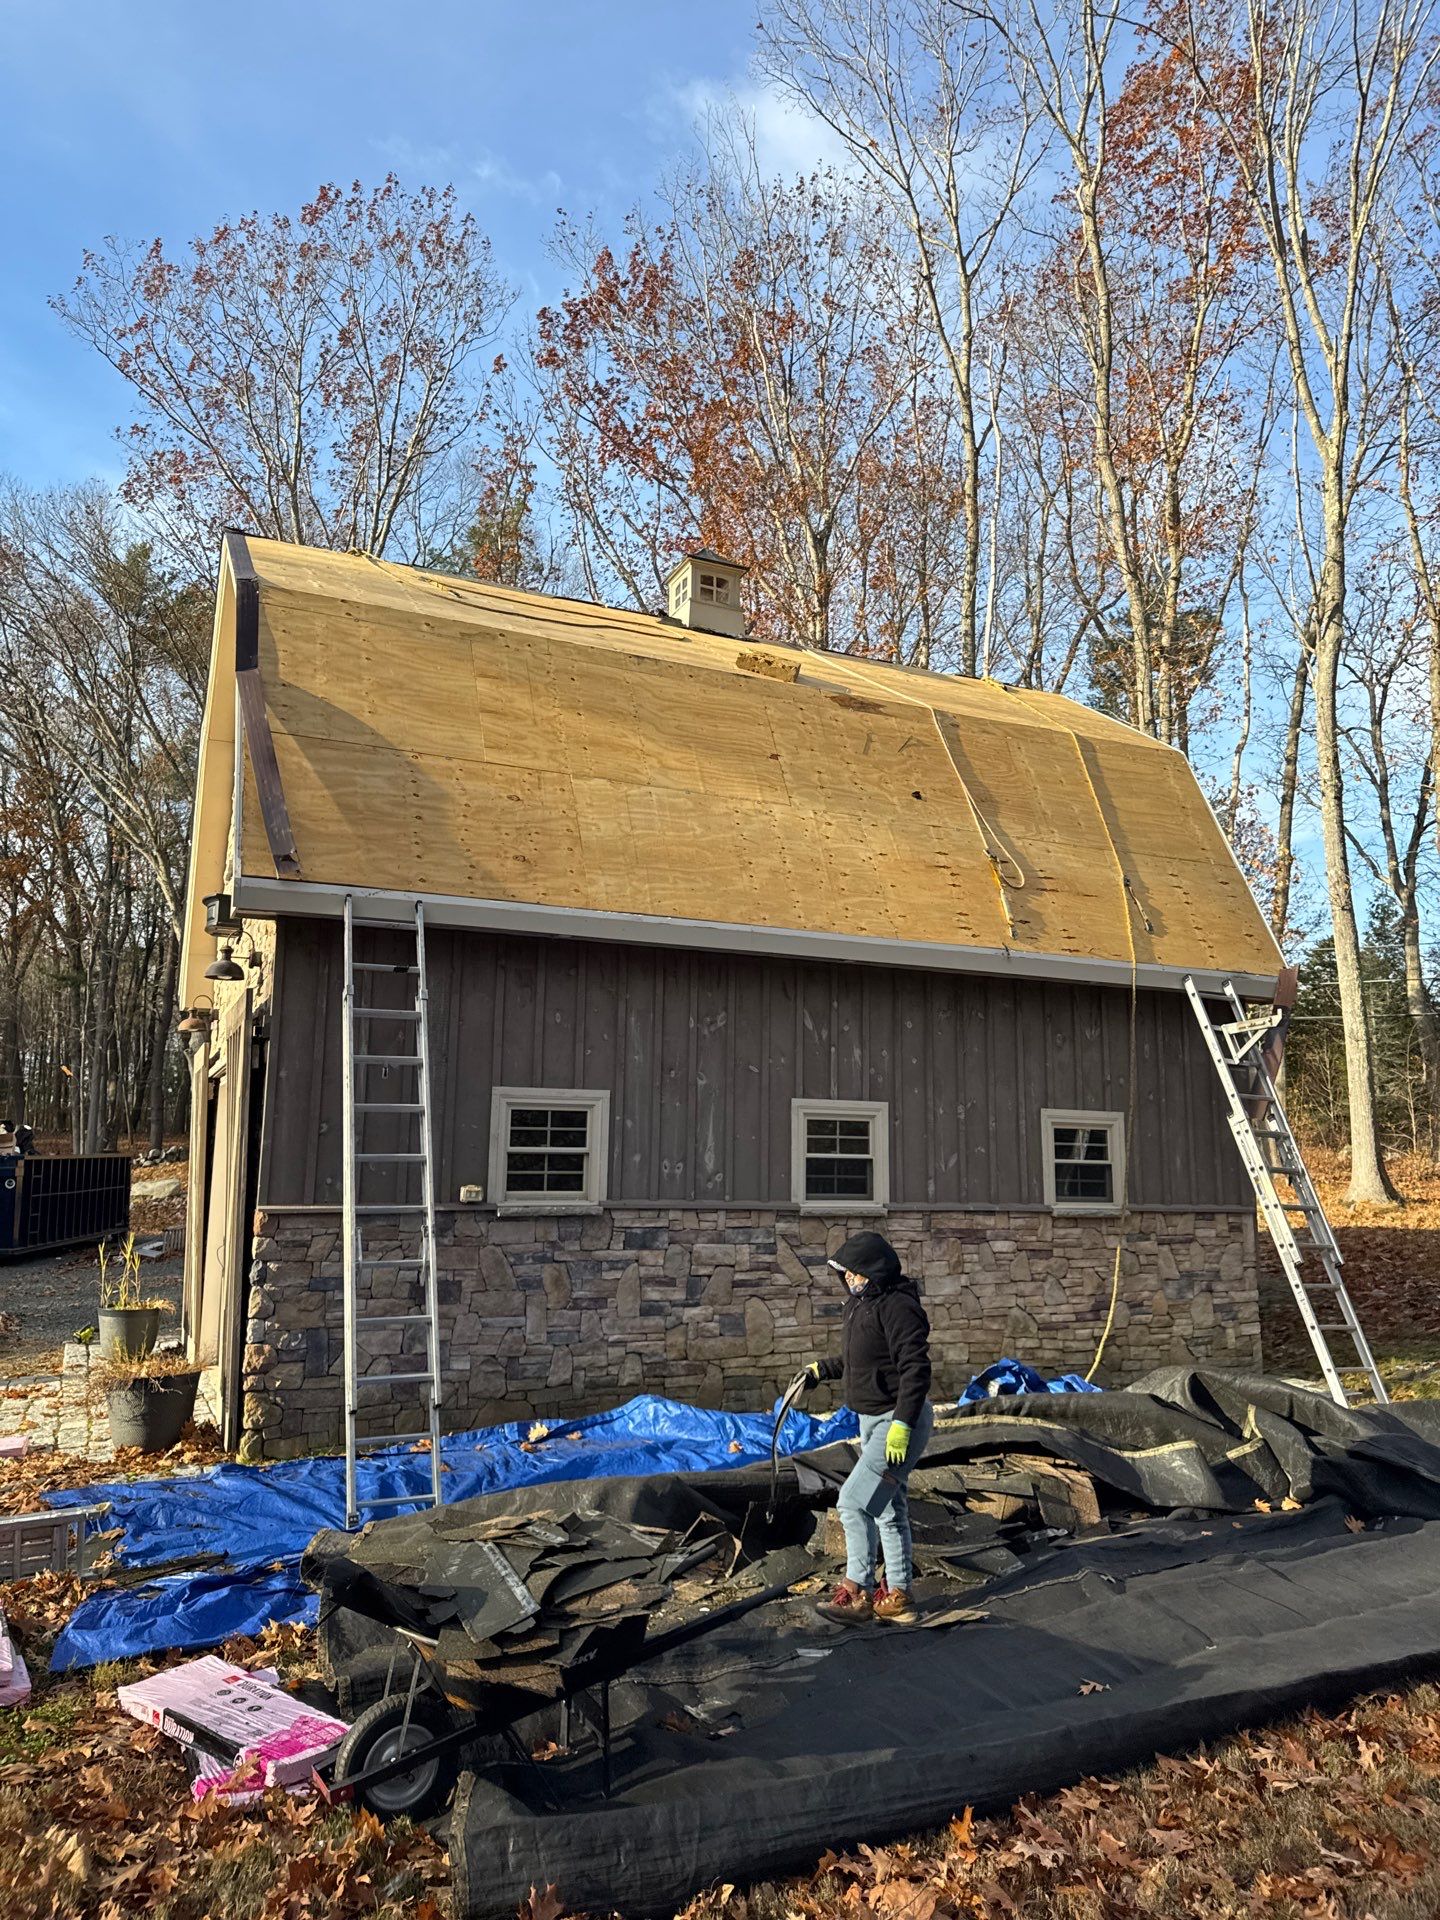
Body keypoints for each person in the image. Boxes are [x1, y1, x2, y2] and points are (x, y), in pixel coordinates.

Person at [794, 1230, 934, 1626]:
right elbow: (860, 1360)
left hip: (898, 1422)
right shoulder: (859, 1306)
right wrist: (823, 1369)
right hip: (873, 1419)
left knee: (852, 1502)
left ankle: (857, 1593)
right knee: (888, 1508)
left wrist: (903, 1424)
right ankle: (899, 1597)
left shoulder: (898, 1306)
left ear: (873, 1271)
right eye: (846, 1274)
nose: (850, 1279)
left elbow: (915, 1368)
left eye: (855, 1273)